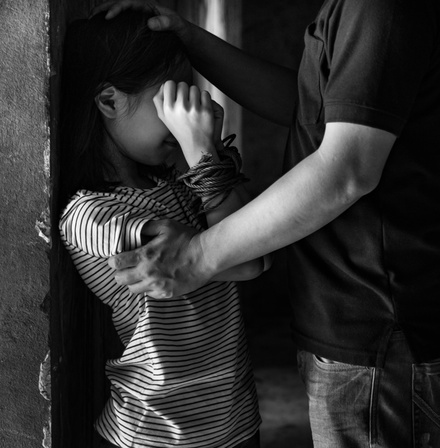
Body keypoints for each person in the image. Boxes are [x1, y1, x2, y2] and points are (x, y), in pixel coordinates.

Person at [97, 0, 440, 446]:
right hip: (366, 315)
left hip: (384, 321)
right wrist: (191, 39)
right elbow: (316, 108)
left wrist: (197, 255)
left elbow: (347, 169)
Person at [58, 10, 269, 448]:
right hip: (158, 434)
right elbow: (245, 260)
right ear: (110, 101)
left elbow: (252, 247)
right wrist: (198, 149)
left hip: (234, 420)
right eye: (171, 100)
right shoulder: (89, 215)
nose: (182, 117)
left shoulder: (175, 186)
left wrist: (201, 155)